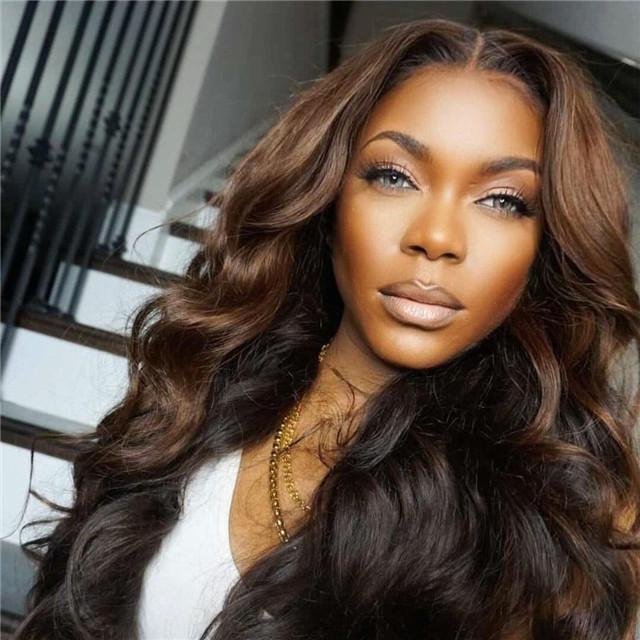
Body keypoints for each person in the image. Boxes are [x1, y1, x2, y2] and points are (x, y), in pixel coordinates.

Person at [15, 17, 640, 640]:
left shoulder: (557, 525)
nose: (436, 238)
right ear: (329, 195)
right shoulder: (203, 392)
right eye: (394, 176)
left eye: (503, 201)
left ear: (545, 247)